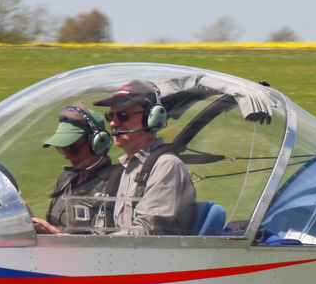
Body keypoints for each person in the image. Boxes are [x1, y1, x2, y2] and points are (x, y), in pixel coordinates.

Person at [92, 80, 197, 235]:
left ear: (152, 117)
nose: (113, 123)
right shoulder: (120, 172)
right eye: (110, 116)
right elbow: (101, 231)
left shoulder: (167, 166)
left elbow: (146, 232)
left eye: (123, 115)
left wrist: (97, 247)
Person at [31, 105, 121, 235]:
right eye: (62, 149)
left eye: (73, 149)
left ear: (97, 143)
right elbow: (54, 223)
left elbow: (105, 241)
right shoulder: (66, 178)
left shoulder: (116, 181)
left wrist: (55, 234)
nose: (67, 156)